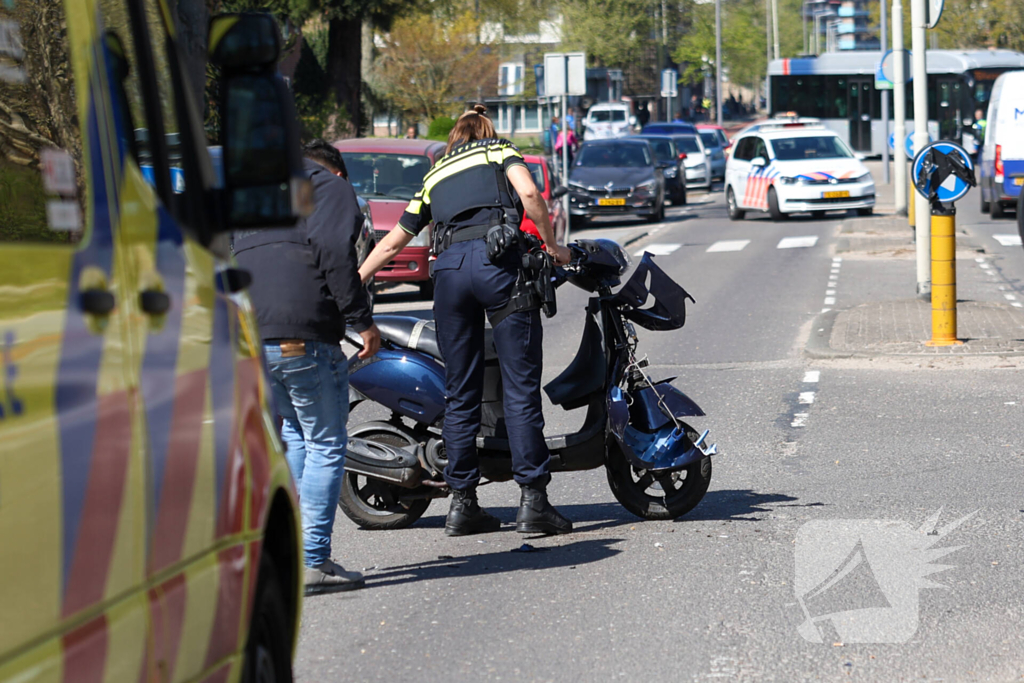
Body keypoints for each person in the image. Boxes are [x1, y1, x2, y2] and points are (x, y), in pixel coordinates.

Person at [358, 105, 574, 537]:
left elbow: (392, 243)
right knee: (519, 387)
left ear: (455, 137)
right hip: (499, 269)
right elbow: (531, 195)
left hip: (450, 275)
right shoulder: (499, 151)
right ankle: (533, 502)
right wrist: (555, 247)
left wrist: (352, 285)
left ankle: (463, 504)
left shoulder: (435, 175)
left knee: (460, 393)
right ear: (487, 132)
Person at [234, 139, 381, 593]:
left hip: (255, 335)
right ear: (337, 172)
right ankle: (313, 558)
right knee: (326, 444)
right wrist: (362, 321)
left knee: (296, 437)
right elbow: (337, 257)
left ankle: (292, 556)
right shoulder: (332, 190)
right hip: (306, 336)